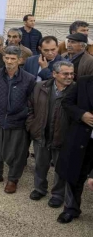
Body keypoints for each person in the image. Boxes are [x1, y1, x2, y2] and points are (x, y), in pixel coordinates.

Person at [0, 46, 35, 194]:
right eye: (7, 58)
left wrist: (24, 115)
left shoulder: (29, 79)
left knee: (17, 152)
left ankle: (13, 179)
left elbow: (31, 101)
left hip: (17, 120)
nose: (9, 61)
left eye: (13, 59)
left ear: (20, 60)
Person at [26, 61, 75, 208]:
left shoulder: (76, 90)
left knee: (60, 168)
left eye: (72, 73)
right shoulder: (40, 87)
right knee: (40, 164)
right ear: (54, 74)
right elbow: (30, 107)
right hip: (41, 133)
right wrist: (32, 125)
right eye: (65, 73)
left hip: (63, 137)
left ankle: (57, 194)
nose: (69, 76)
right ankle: (39, 189)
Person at [56, 74, 93, 224]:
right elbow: (67, 102)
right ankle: (71, 208)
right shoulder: (84, 82)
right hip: (81, 139)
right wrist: (81, 114)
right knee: (75, 174)